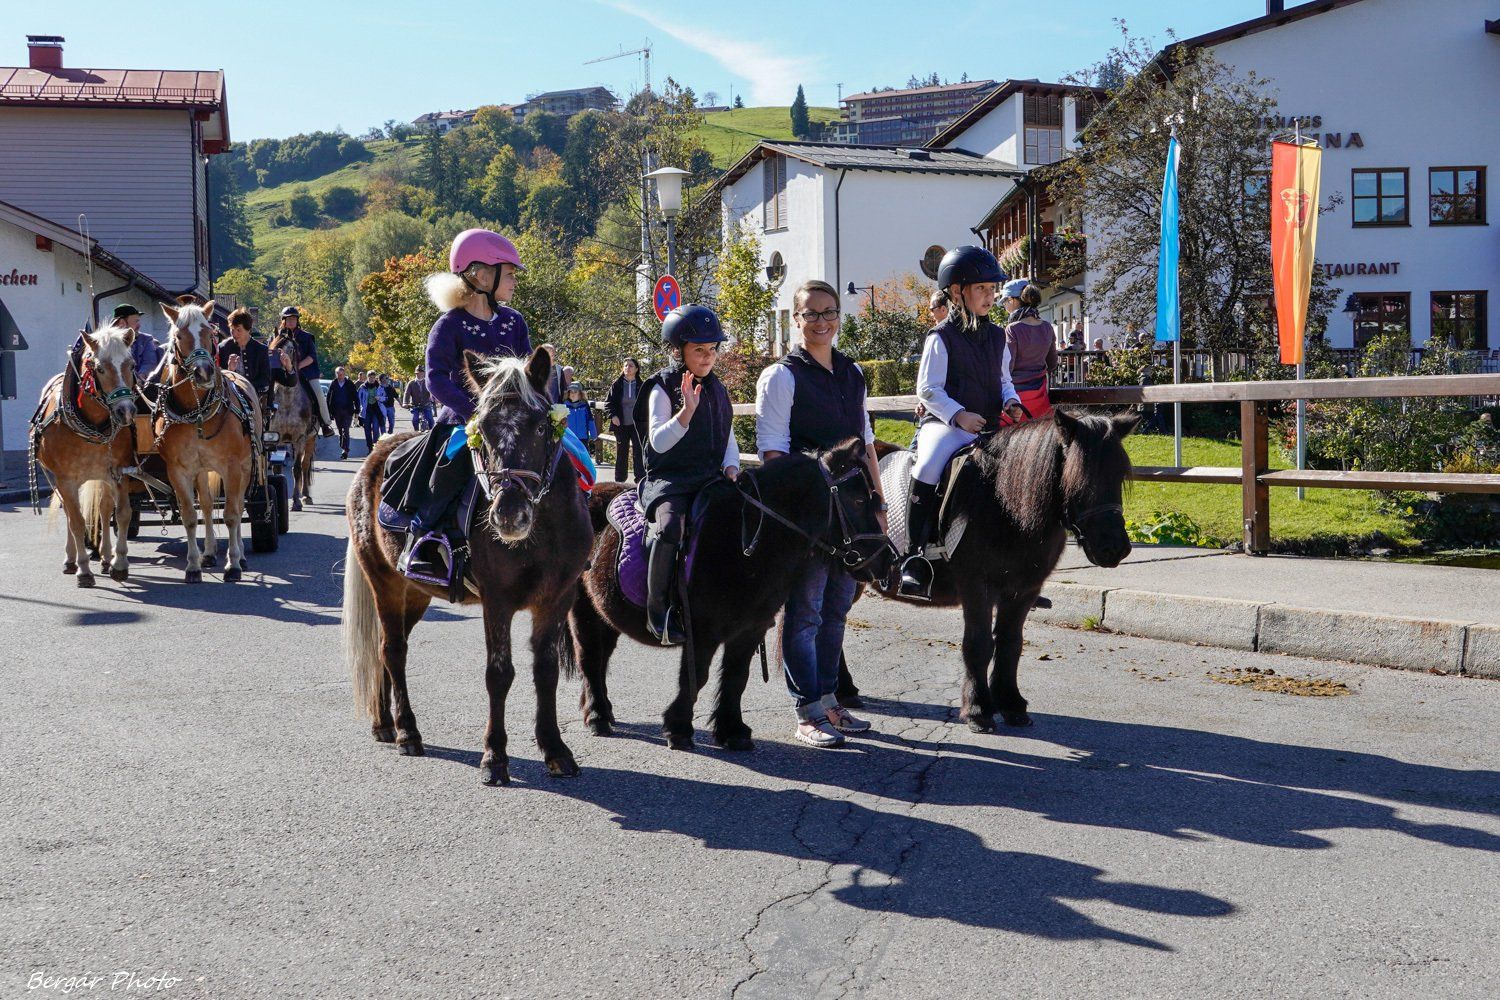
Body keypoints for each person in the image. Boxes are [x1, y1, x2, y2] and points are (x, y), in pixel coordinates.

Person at [756, 279, 887, 748]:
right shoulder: (781, 376)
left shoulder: (853, 373)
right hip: (810, 513)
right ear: (796, 320)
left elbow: (867, 444)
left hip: (851, 513)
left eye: (829, 312)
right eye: (810, 313)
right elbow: (773, 453)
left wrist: (879, 503)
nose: (821, 321)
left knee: (836, 609)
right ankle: (808, 711)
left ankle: (831, 701)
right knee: (806, 612)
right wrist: (795, 512)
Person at [396, 228, 531, 582]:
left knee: (560, 459)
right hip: (463, 420)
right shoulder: (448, 326)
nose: (514, 281)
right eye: (510, 273)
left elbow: (529, 371)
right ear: (481, 275)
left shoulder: (514, 322)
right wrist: (476, 413)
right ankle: (420, 539)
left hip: (513, 423)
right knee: (449, 470)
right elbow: (435, 379)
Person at [899, 246, 1024, 598]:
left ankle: (1016, 565)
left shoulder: (999, 335)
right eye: (981, 288)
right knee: (928, 465)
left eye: (992, 288)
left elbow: (1004, 380)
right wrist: (958, 415)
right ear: (957, 292)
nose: (990, 295)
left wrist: (1011, 400)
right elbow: (928, 389)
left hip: (987, 425)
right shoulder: (941, 336)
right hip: (945, 425)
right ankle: (915, 557)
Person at [633, 304, 740, 645]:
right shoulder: (661, 387)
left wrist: (732, 465)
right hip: (670, 481)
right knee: (669, 528)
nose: (708, 357)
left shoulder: (718, 388)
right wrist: (685, 413)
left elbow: (728, 434)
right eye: (699, 350)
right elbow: (658, 442)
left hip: (709, 478)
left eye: (712, 349)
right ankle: (658, 612)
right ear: (678, 351)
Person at [1000, 279, 1058, 420]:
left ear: (1013, 300)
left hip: (1016, 399)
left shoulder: (1012, 329)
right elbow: (1052, 364)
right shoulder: (1047, 327)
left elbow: (1007, 368)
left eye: (1005, 301)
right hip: (1040, 395)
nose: (1004, 306)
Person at [275, 306, 335, 437]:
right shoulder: (277, 337)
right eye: (288, 319)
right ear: (283, 321)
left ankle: (325, 423)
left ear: (297, 320)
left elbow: (312, 357)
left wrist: (297, 366)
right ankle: (264, 421)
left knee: (319, 394)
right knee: (267, 391)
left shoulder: (307, 337)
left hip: (305, 373)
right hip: (283, 374)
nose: (291, 321)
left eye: (294, 319)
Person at [217, 307, 295, 403]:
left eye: (238, 330)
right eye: (232, 329)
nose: (234, 334)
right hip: (228, 399)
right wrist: (230, 371)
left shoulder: (261, 350)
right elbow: (217, 378)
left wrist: (289, 367)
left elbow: (265, 380)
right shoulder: (223, 347)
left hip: (255, 399)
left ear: (248, 330)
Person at [604, 358, 644, 482]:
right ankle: (620, 480)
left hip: (637, 425)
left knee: (639, 452)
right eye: (626, 365)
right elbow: (608, 403)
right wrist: (613, 416)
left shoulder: (642, 385)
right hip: (621, 424)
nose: (628, 368)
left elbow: (648, 404)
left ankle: (640, 480)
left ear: (636, 369)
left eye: (631, 366)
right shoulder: (617, 385)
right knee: (622, 452)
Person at [326, 366, 359, 458]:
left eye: (341, 374)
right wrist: (329, 411)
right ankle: (343, 446)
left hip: (348, 411)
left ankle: (345, 450)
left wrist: (357, 409)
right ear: (336, 374)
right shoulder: (333, 384)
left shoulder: (349, 384)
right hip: (337, 411)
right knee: (340, 430)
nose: (340, 376)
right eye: (338, 374)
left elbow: (356, 397)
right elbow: (329, 398)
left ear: (344, 374)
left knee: (346, 430)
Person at [358, 370, 389, 452]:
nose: (372, 379)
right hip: (366, 411)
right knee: (367, 430)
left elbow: (385, 398)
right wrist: (359, 409)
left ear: (375, 378)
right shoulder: (362, 387)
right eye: (370, 377)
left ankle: (375, 448)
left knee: (375, 429)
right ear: (367, 377)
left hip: (377, 410)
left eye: (373, 377)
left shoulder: (380, 387)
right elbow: (358, 399)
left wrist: (379, 398)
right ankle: (369, 448)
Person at [564, 382, 598, 449]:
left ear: (580, 394)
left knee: (583, 454)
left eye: (575, 392)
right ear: (568, 393)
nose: (573, 394)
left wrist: (594, 434)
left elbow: (590, 420)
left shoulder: (584, 405)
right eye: (571, 392)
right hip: (569, 438)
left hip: (582, 438)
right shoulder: (564, 405)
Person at [402, 365, 434, 431]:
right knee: (415, 420)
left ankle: (432, 433)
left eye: (421, 372)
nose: (419, 374)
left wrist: (434, 399)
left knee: (430, 419)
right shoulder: (411, 383)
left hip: (426, 404)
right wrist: (405, 403)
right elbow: (407, 393)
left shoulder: (428, 382)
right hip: (415, 405)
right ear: (415, 373)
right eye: (418, 373)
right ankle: (416, 432)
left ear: (424, 373)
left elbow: (432, 392)